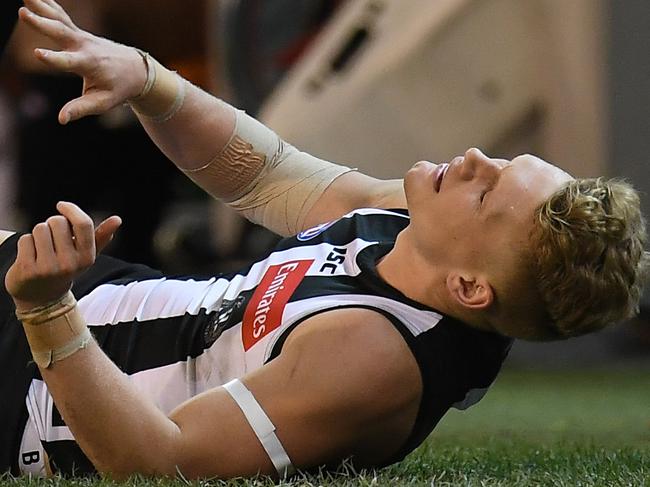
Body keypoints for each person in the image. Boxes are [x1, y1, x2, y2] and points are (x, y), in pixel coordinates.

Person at [1, 0, 647, 479]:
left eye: (487, 192)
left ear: (471, 287)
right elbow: (269, 176)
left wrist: (46, 311)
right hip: (97, 305)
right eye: (503, 161)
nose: (476, 157)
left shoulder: (373, 358)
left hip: (37, 390)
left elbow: (162, 464)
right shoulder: (424, 232)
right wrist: (147, 78)